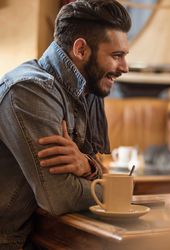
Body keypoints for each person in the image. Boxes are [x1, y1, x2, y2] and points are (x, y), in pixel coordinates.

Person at [0, 0, 131, 248]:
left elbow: (96, 172)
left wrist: (88, 165)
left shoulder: (84, 91)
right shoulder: (29, 90)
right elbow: (60, 197)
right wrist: (117, 193)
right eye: (116, 56)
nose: (124, 67)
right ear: (81, 49)